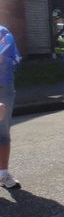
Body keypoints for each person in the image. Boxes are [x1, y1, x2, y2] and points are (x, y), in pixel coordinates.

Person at [0, 25, 21, 189]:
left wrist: (3, 60)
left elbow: (16, 60)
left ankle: (3, 173)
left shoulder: (4, 33)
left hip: (3, 88)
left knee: (3, 132)